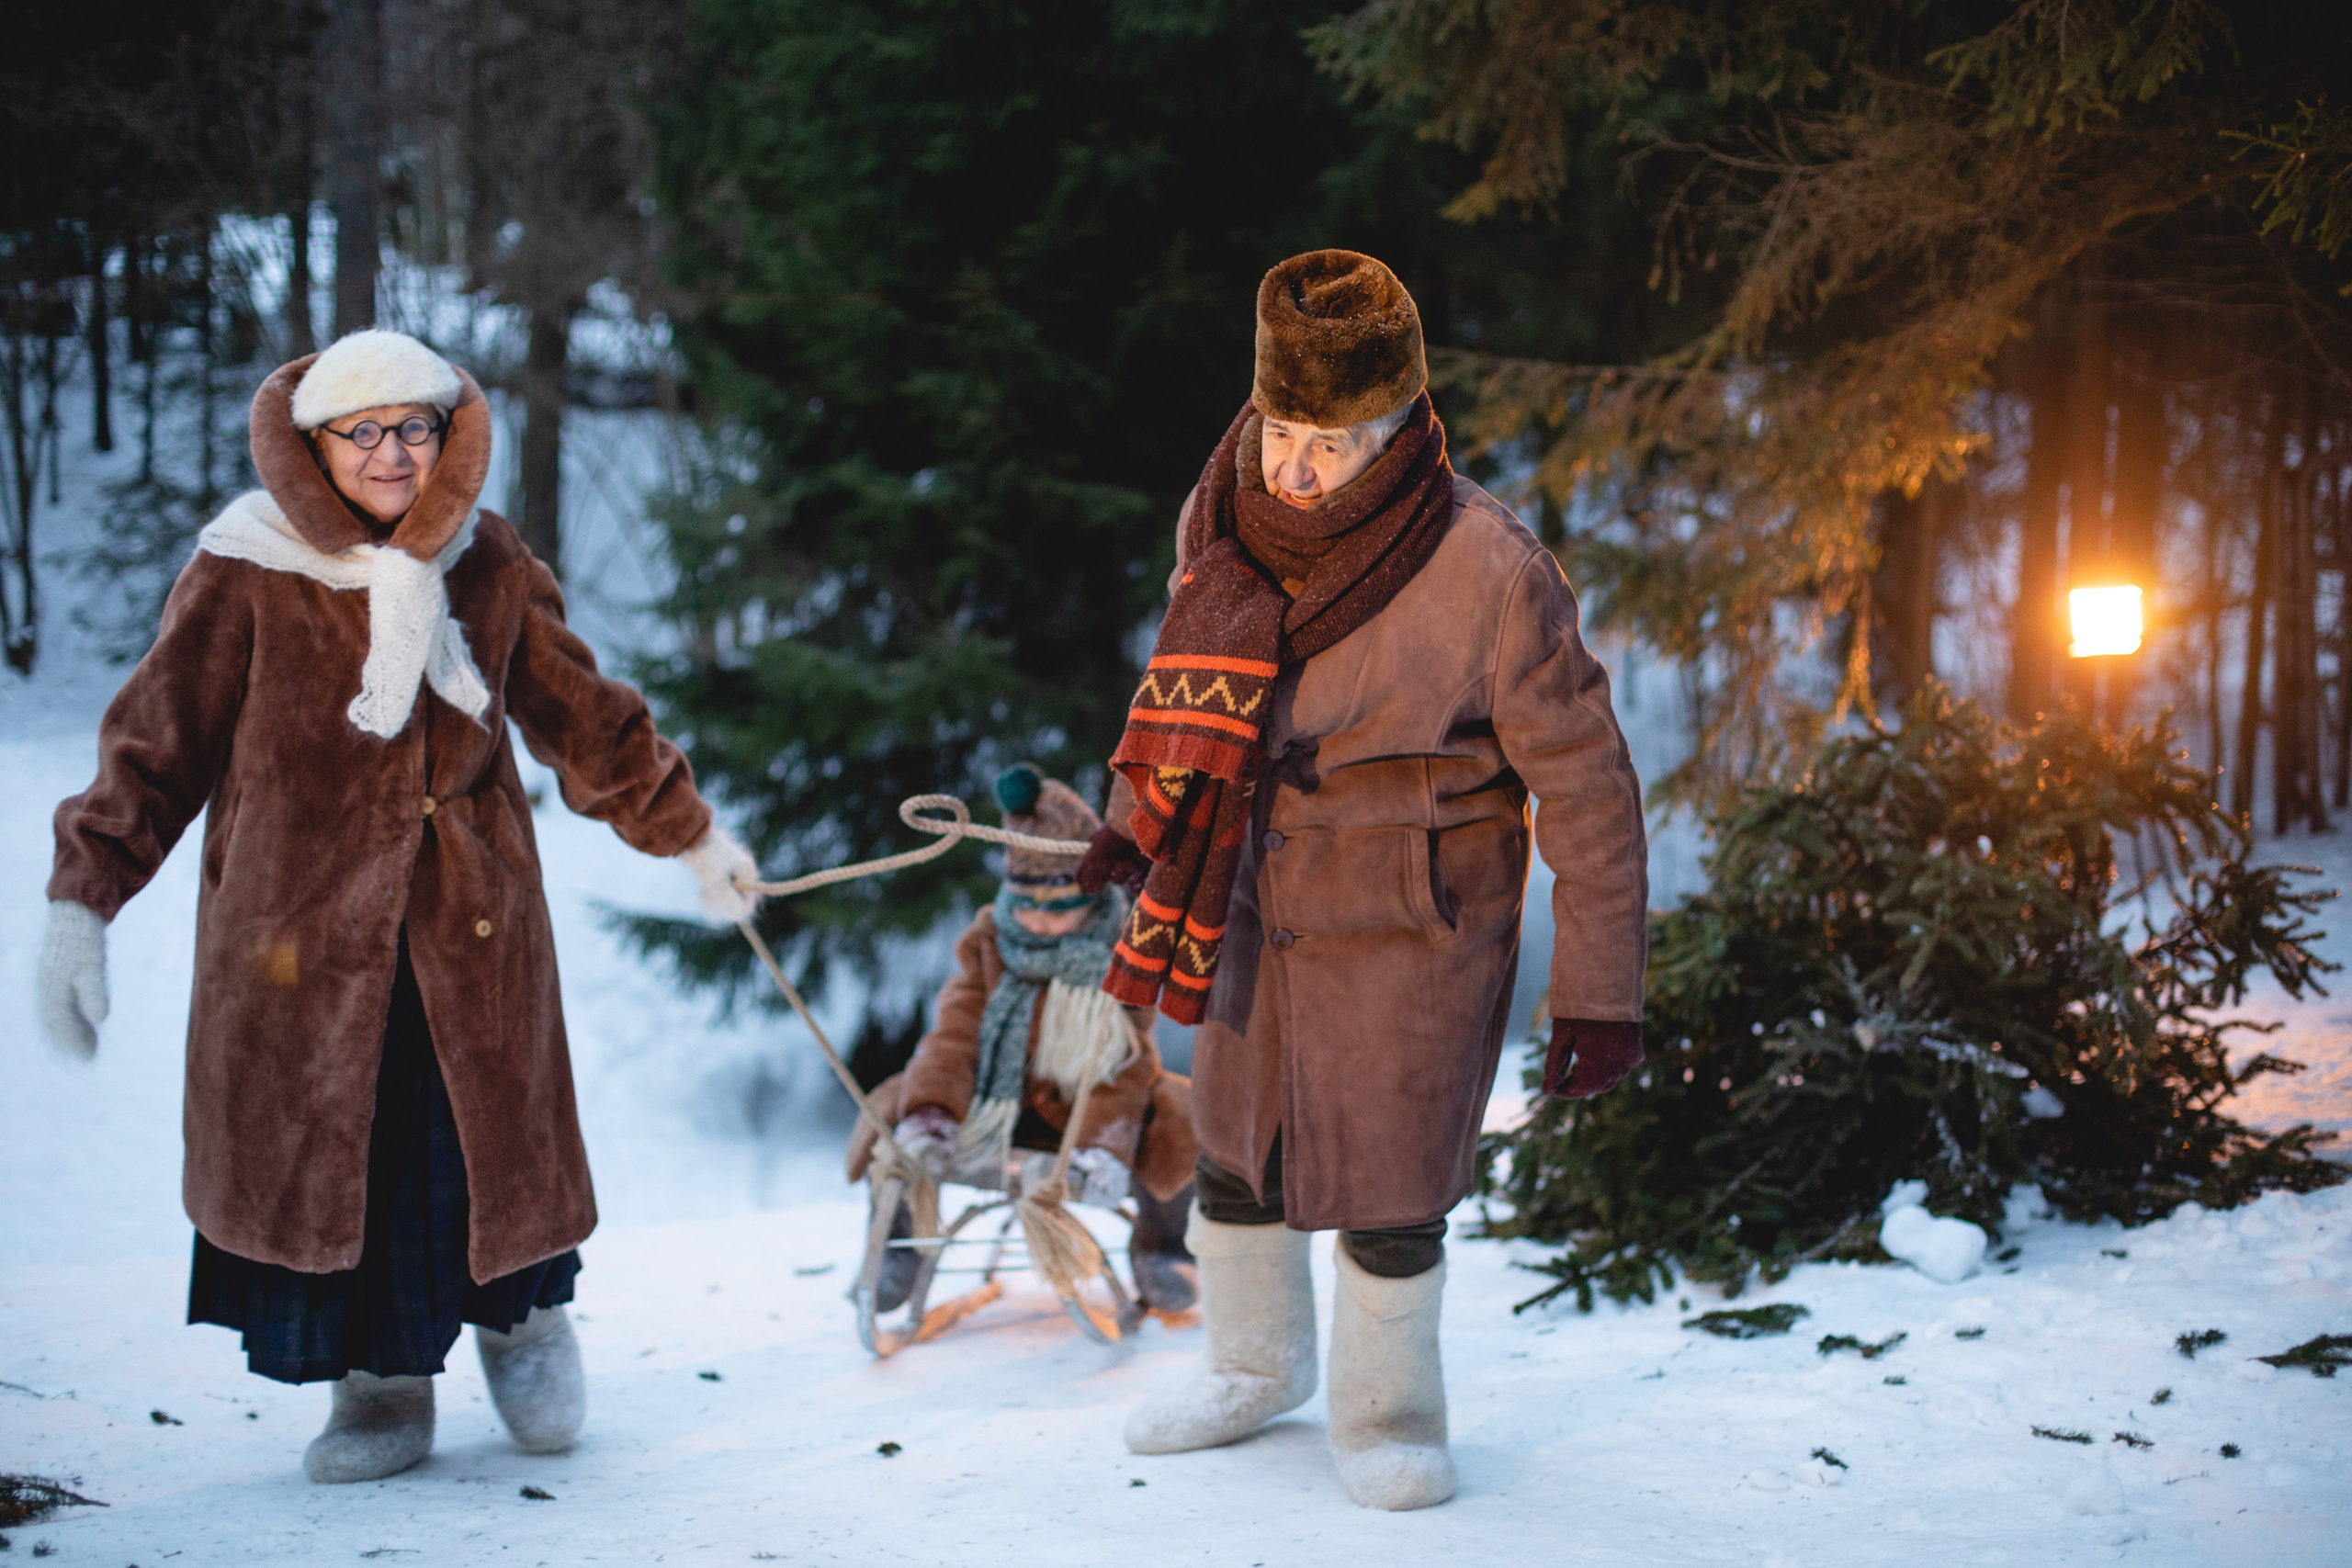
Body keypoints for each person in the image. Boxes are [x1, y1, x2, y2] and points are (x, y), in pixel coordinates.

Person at [37, 330, 762, 1485]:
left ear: (446, 434)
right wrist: (86, 901)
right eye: (362, 433)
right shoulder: (244, 567)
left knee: (480, 1141)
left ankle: (523, 1328)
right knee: (345, 1156)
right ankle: (376, 1385)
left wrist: (690, 838)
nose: (390, 453)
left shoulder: (489, 560)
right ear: (315, 447)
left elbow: (585, 719)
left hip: (470, 929)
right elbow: (152, 750)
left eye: (412, 427)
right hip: (296, 942)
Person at [1086, 251, 1649, 1510]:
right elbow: (1187, 707)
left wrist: (1599, 992)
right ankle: (1252, 1362)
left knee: (1392, 1185)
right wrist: (1138, 823)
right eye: (1282, 428)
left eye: (1329, 442)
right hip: (1242, 899)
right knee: (1233, 1153)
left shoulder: (1491, 566)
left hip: (1412, 928)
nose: (1293, 466)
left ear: (1396, 429)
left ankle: (1391, 1412)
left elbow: (1593, 790)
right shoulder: (1221, 515)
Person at [845, 765, 1198, 1314]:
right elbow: (956, 1033)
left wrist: (1099, 1146)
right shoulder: (991, 943)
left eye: (1057, 908)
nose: (1038, 921)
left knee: (1179, 1113)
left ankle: (1162, 1253)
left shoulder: (1124, 949)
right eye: (1026, 905)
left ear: (1091, 897)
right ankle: (900, 1246)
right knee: (896, 1106)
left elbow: (1123, 1064)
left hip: (1079, 1112)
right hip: (992, 1104)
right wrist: (933, 1107)